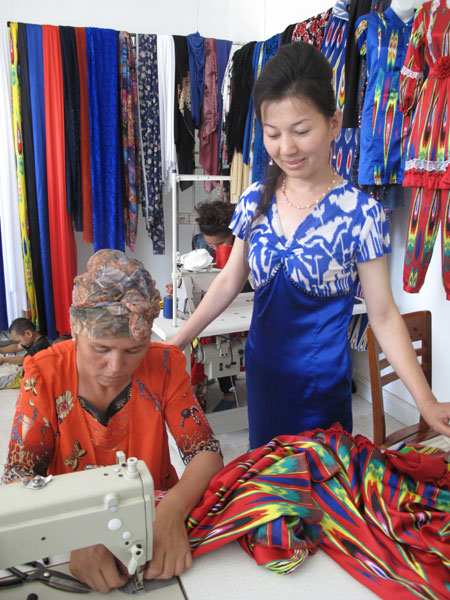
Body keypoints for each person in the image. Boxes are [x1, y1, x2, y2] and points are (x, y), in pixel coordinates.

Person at [168, 41, 450, 449]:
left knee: (320, 496)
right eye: (273, 134)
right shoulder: (254, 200)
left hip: (320, 393)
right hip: (264, 381)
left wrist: (424, 400)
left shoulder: (361, 213)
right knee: (269, 491)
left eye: (301, 131)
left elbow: (384, 315)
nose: (287, 148)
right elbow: (230, 282)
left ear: (333, 124)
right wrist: (177, 341)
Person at [2, 249, 223, 594]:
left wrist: (173, 510)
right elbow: (18, 480)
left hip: (157, 519)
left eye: (133, 350)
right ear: (76, 330)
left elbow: (205, 451)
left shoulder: (164, 365)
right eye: (101, 349)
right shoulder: (44, 375)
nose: (116, 367)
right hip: (73, 533)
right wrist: (79, 534)